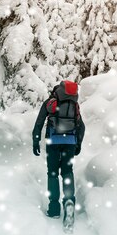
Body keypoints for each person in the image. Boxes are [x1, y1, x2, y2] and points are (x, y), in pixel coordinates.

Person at [32, 80, 85, 222]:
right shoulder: (74, 105)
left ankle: (54, 208)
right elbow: (81, 126)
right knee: (67, 172)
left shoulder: (50, 103)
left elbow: (39, 122)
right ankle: (69, 201)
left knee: (53, 174)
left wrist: (35, 141)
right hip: (70, 143)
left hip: (53, 142)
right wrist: (78, 144)